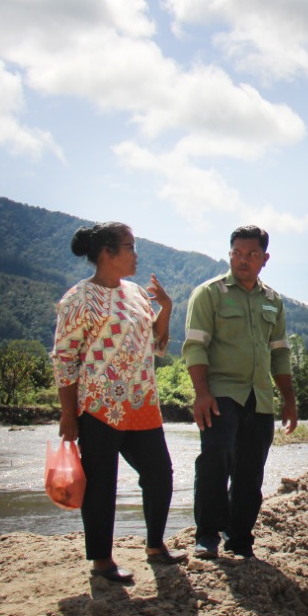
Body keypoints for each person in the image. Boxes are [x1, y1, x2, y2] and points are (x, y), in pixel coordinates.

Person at [52, 222, 184, 585]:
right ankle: (102, 561)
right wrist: (68, 413)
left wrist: (167, 308)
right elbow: (65, 358)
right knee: (101, 484)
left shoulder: (138, 294)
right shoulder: (77, 299)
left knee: (160, 474)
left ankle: (156, 546)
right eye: (130, 246)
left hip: (142, 402)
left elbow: (156, 346)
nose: (136, 254)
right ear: (108, 253)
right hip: (98, 407)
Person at [184, 225, 298, 560]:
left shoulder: (273, 301)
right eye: (236, 253)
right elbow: (194, 347)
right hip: (220, 392)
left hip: (259, 397)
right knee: (214, 460)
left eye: (250, 255)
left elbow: (279, 353)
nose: (242, 260)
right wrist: (201, 393)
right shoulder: (210, 293)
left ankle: (240, 538)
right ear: (229, 254)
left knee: (250, 471)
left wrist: (289, 400)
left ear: (265, 258)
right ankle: (207, 535)